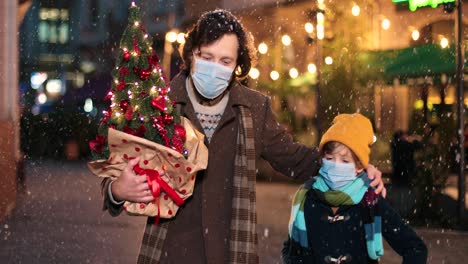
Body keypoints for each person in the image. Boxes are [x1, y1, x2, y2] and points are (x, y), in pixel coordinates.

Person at [101, 10, 385, 264]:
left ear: (237, 65)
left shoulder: (253, 109)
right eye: (206, 57)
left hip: (233, 252)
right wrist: (117, 190)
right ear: (190, 56)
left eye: (225, 60)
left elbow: (294, 158)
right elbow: (117, 168)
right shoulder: (160, 106)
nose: (215, 67)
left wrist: (353, 167)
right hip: (170, 252)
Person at [282, 114, 427, 264]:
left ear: (358, 167)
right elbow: (291, 250)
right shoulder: (307, 198)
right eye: (330, 158)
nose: (336, 165)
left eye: (345, 161)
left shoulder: (370, 202)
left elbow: (415, 248)